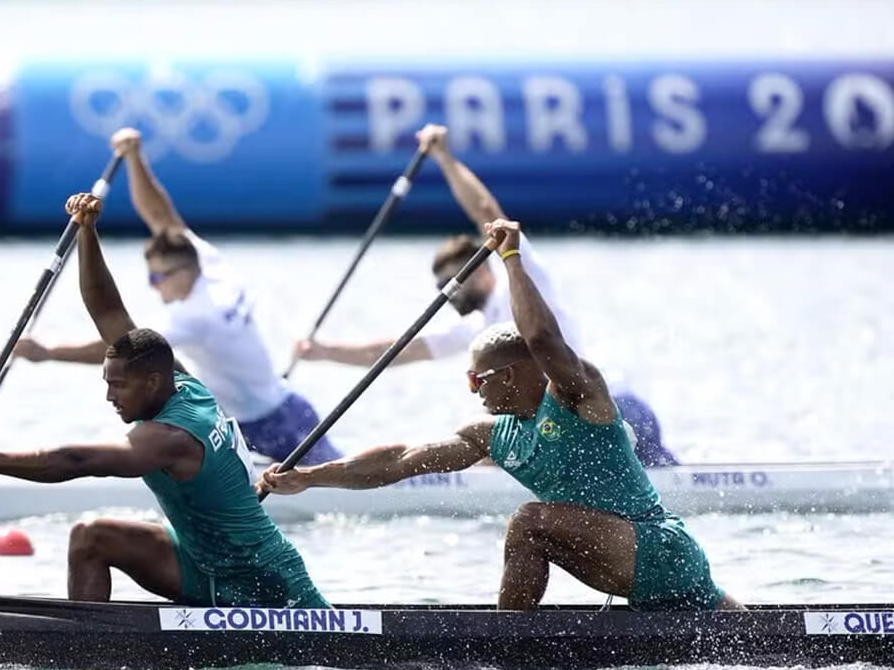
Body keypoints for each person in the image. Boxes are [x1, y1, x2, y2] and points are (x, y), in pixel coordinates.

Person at [261, 219, 742, 612]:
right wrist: (309, 477)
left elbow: (543, 341)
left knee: (528, 522)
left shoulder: (578, 396)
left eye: (476, 379)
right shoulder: (494, 436)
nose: (471, 388)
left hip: (657, 548)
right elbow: (400, 460)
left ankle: (508, 646)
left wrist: (511, 259)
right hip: (629, 562)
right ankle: (515, 636)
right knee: (742, 632)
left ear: (510, 376)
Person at [0, 192, 329, 609]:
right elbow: (108, 311)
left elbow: (75, 462)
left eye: (119, 386)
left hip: (262, 583)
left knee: (91, 532)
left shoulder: (171, 437)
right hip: (202, 560)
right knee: (90, 536)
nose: (109, 396)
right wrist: (87, 233)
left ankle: (94, 643)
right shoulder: (184, 383)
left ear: (152, 382)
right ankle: (88, 649)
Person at [294, 124, 677, 468]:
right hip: (576, 425)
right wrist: (324, 351)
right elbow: (399, 350)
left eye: (453, 280)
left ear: (479, 269)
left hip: (615, 411)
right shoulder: (478, 330)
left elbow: (485, 209)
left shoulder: (523, 273)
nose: (447, 293)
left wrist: (444, 158)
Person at [14, 128, 340, 466]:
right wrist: (134, 157)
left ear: (182, 272)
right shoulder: (208, 261)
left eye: (159, 277)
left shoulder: (195, 316)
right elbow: (159, 214)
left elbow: (124, 347)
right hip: (273, 411)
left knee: (344, 488)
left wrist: (48, 352)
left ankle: (399, 485)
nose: (155, 286)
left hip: (269, 427)